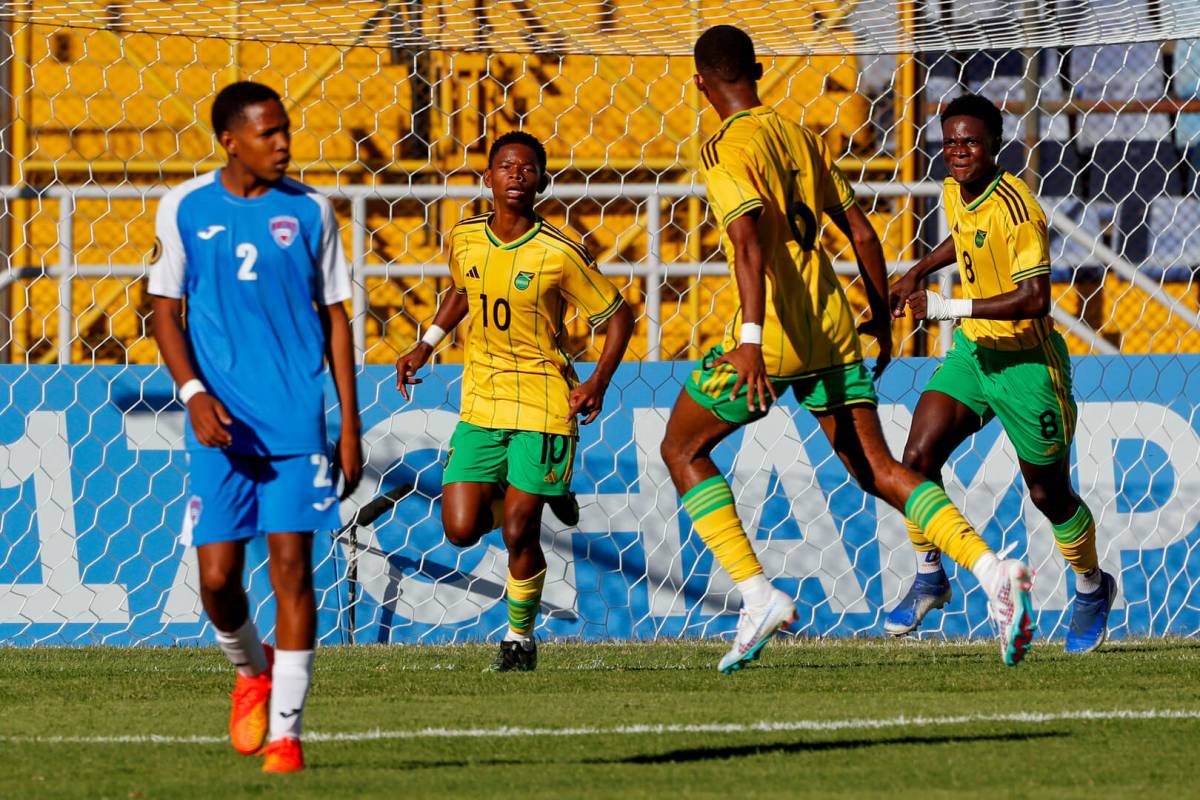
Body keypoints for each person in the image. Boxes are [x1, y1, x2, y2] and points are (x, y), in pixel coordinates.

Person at [659, 26, 1036, 673]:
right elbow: (859, 229)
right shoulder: (800, 137)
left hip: (775, 331)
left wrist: (749, 342)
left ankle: (756, 594)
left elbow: (748, 242)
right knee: (877, 470)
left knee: (681, 447)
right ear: (757, 68)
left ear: (699, 83)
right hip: (832, 326)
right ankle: (992, 569)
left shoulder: (723, 147)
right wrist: (880, 318)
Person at [149, 81, 362, 773]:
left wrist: (349, 425)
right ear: (229, 139)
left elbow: (336, 315)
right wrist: (192, 393)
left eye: (286, 131)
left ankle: (288, 734)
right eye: (268, 133)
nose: (283, 144)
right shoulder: (185, 206)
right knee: (216, 580)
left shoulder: (311, 212)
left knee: (294, 571)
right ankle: (250, 670)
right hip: (220, 425)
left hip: (297, 422)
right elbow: (162, 309)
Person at [395, 131, 634, 672]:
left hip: (545, 403)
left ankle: (518, 639)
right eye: (506, 166)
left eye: (528, 168)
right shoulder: (464, 238)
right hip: (482, 399)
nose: (517, 175)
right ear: (489, 178)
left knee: (518, 532)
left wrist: (597, 381)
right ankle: (532, 489)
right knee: (459, 530)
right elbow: (461, 289)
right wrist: (425, 344)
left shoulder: (561, 251)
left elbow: (618, 316)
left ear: (543, 180)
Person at [886, 93, 1116, 652]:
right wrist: (916, 270)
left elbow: (1036, 298)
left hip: (1028, 366)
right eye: (951, 142)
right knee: (916, 460)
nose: (958, 152)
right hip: (974, 355)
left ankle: (1091, 586)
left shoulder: (1019, 210)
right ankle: (929, 573)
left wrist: (944, 309)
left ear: (994, 147)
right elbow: (964, 238)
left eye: (970, 143)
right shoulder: (952, 187)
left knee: (1048, 493)